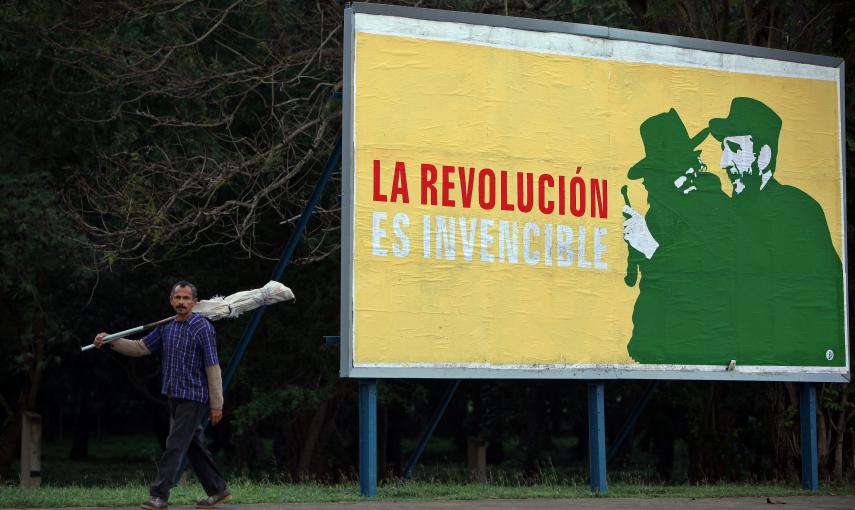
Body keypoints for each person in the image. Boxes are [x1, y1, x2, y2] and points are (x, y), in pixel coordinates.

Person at [708, 97, 844, 366]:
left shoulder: (800, 212)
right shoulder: (726, 214)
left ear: (765, 156)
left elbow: (825, 298)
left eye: (734, 149)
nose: (723, 162)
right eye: (723, 149)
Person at [94, 281, 231, 510]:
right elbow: (140, 347)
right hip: (173, 394)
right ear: (171, 301)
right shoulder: (167, 326)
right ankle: (218, 490)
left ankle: (159, 495)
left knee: (175, 444)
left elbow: (213, 367)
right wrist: (111, 341)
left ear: (195, 302)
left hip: (194, 396)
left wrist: (217, 403)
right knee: (193, 445)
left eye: (186, 299)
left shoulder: (203, 327)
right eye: (178, 298)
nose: (181, 302)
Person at [622, 108, 736, 364]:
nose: (647, 184)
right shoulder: (659, 213)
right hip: (654, 346)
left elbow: (700, 273)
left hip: (699, 345)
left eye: (653, 175)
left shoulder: (715, 207)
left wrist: (649, 246)